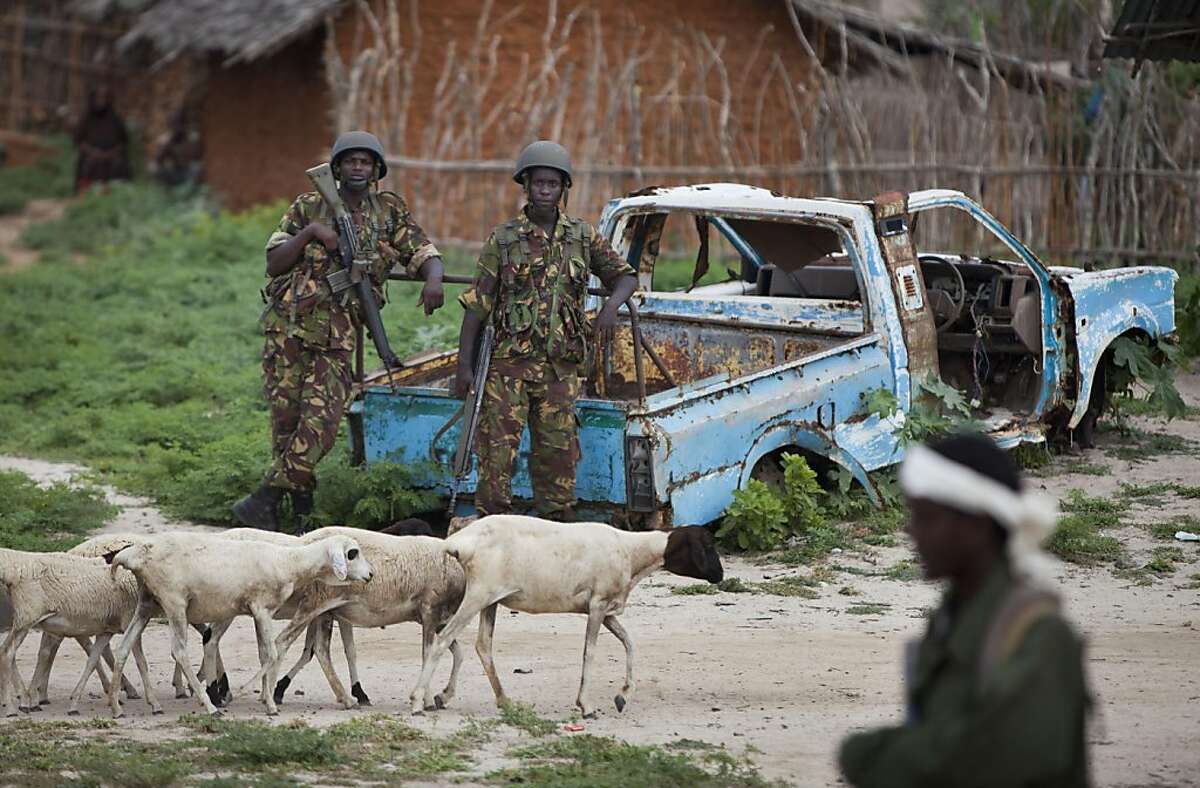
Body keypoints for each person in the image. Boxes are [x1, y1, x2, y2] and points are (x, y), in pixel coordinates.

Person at [838, 433, 1091, 787]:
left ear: (976, 525)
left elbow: (991, 761)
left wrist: (869, 755)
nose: (912, 532)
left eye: (926, 517)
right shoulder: (950, 620)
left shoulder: (1038, 635)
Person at [232, 131, 445, 532]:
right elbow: (274, 262)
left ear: (377, 168)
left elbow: (423, 252)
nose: (359, 168)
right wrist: (311, 232)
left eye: (366, 162)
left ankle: (265, 498)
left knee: (322, 426)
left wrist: (433, 280)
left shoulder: (388, 211)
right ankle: (300, 524)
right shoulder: (309, 205)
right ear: (338, 167)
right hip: (288, 331)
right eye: (351, 161)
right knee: (287, 428)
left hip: (337, 337)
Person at [453, 140, 637, 521]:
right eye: (538, 183)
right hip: (508, 370)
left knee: (557, 456)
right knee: (495, 455)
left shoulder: (582, 237)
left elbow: (625, 277)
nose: (545, 191)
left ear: (563, 189)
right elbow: (477, 305)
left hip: (560, 370)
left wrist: (610, 306)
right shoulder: (503, 239)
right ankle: (492, 532)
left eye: (552, 184)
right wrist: (463, 366)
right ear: (526, 186)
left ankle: (554, 533)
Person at [73, 87, 131, 193]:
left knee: (119, 164)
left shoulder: (116, 120)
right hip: (91, 154)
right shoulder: (86, 119)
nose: (101, 101)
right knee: (89, 164)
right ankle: (85, 193)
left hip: (112, 155)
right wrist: (94, 153)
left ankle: (116, 193)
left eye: (104, 97)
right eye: (99, 97)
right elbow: (79, 141)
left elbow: (124, 142)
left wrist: (111, 153)